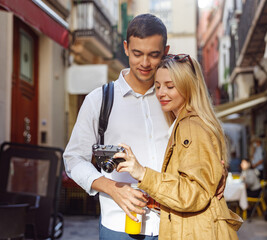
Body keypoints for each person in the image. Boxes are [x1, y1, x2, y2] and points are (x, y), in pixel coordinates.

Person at [63, 14, 226, 240]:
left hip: (175, 226)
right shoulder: (99, 100)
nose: (145, 63)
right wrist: (111, 188)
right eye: (138, 53)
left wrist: (216, 170)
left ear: (165, 51)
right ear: (126, 48)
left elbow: (197, 142)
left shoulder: (172, 98)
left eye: (154, 54)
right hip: (119, 226)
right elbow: (73, 159)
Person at [115, 54, 243, 239]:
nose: (161, 93)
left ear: (188, 86)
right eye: (157, 86)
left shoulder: (190, 127)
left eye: (170, 86)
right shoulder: (186, 123)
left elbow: (193, 194)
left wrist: (142, 173)